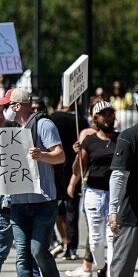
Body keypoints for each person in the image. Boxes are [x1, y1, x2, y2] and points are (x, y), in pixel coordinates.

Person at [0, 87, 66, 277]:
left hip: (42, 200)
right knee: (22, 254)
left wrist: (41, 155)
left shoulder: (44, 125)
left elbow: (61, 155)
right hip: (18, 202)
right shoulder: (13, 130)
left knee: (37, 250)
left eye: (8, 105)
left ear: (17, 106)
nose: (5, 109)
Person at [98, 90, 138, 277]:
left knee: (123, 263)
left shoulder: (129, 136)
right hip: (133, 211)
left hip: (133, 212)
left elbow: (118, 176)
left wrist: (113, 210)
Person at [68, 101, 118, 277]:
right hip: (94, 193)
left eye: (110, 114)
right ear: (96, 118)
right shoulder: (89, 141)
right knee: (96, 240)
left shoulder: (121, 139)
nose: (108, 118)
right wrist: (77, 155)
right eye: (104, 114)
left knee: (112, 238)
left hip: (115, 195)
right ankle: (101, 268)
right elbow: (77, 170)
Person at [50, 98, 89, 260]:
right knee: (72, 211)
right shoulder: (81, 121)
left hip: (57, 169)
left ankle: (64, 241)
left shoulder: (54, 118)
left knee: (58, 209)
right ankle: (71, 247)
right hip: (75, 170)